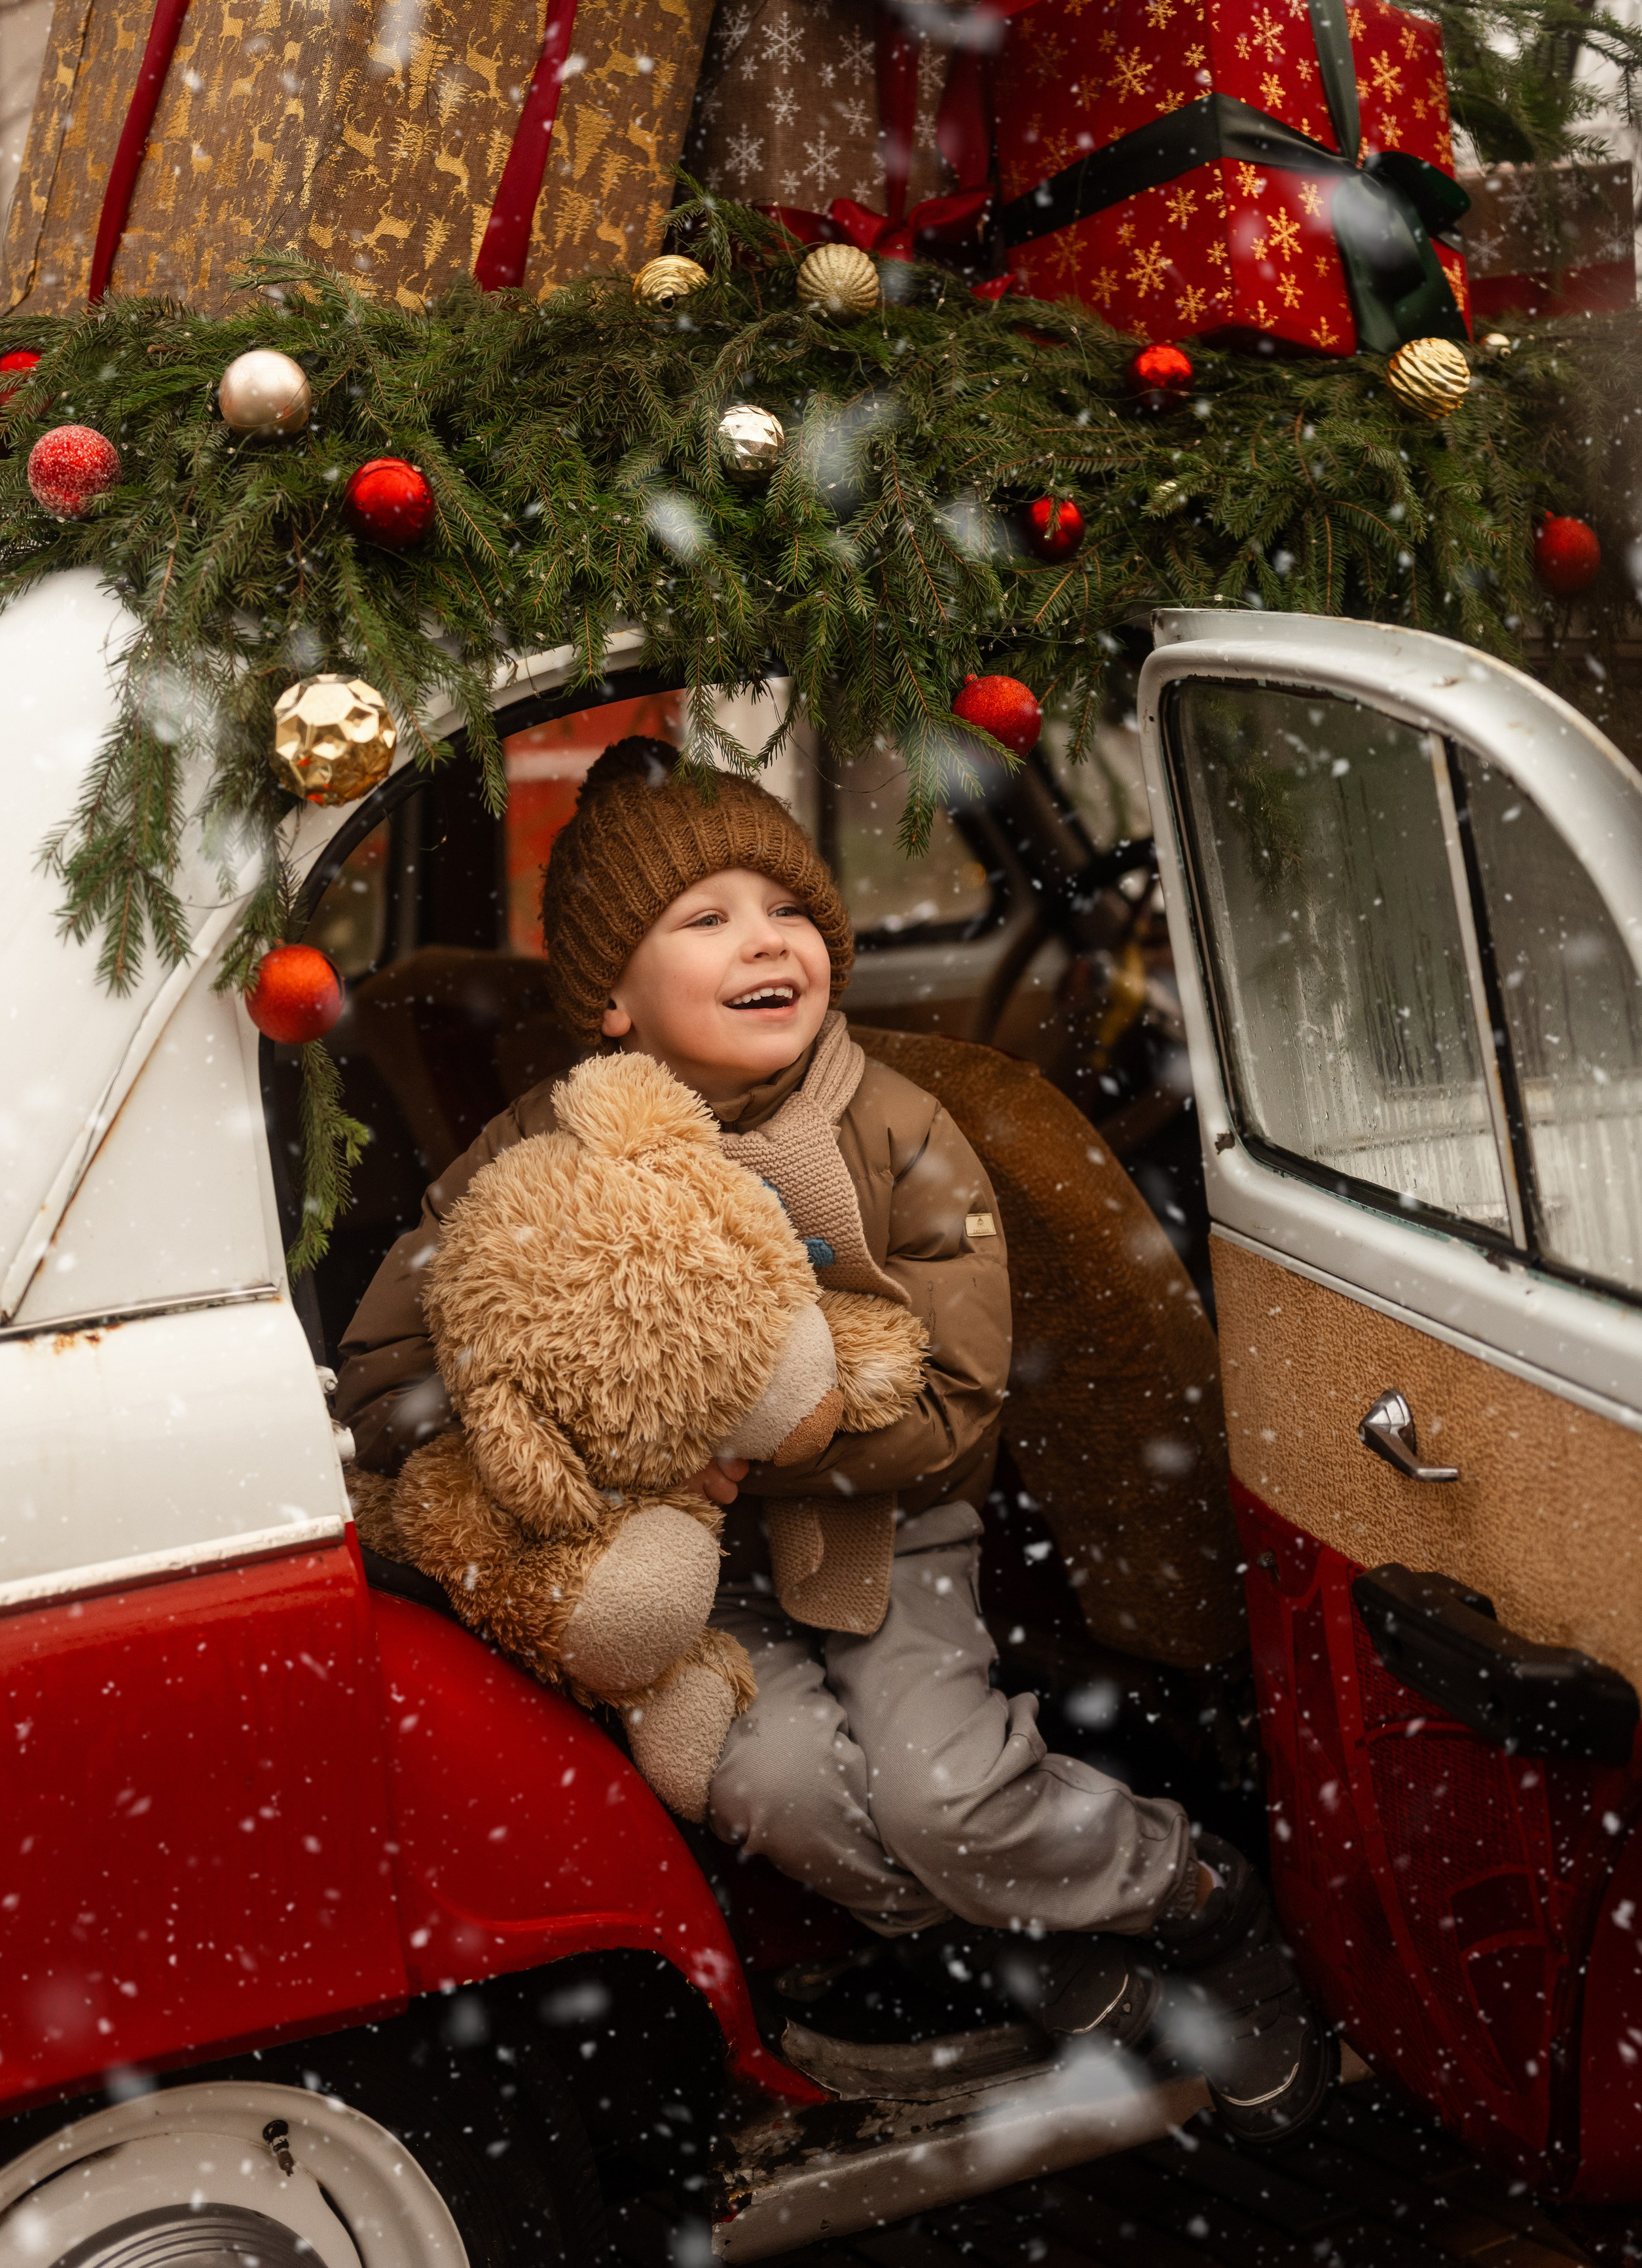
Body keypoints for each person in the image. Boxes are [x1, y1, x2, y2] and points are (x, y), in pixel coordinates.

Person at [335, 737, 1330, 2140]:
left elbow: (954, 1408)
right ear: (610, 1000)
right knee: (783, 1789)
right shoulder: (528, 1152)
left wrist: (777, 1448)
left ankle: (1194, 1892)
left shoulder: (899, 1128)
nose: (766, 942)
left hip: (886, 1521)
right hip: (685, 1567)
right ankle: (1036, 1949)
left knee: (947, 1798)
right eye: (706, 920)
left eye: (787, 908)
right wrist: (562, 1441)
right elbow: (383, 1371)